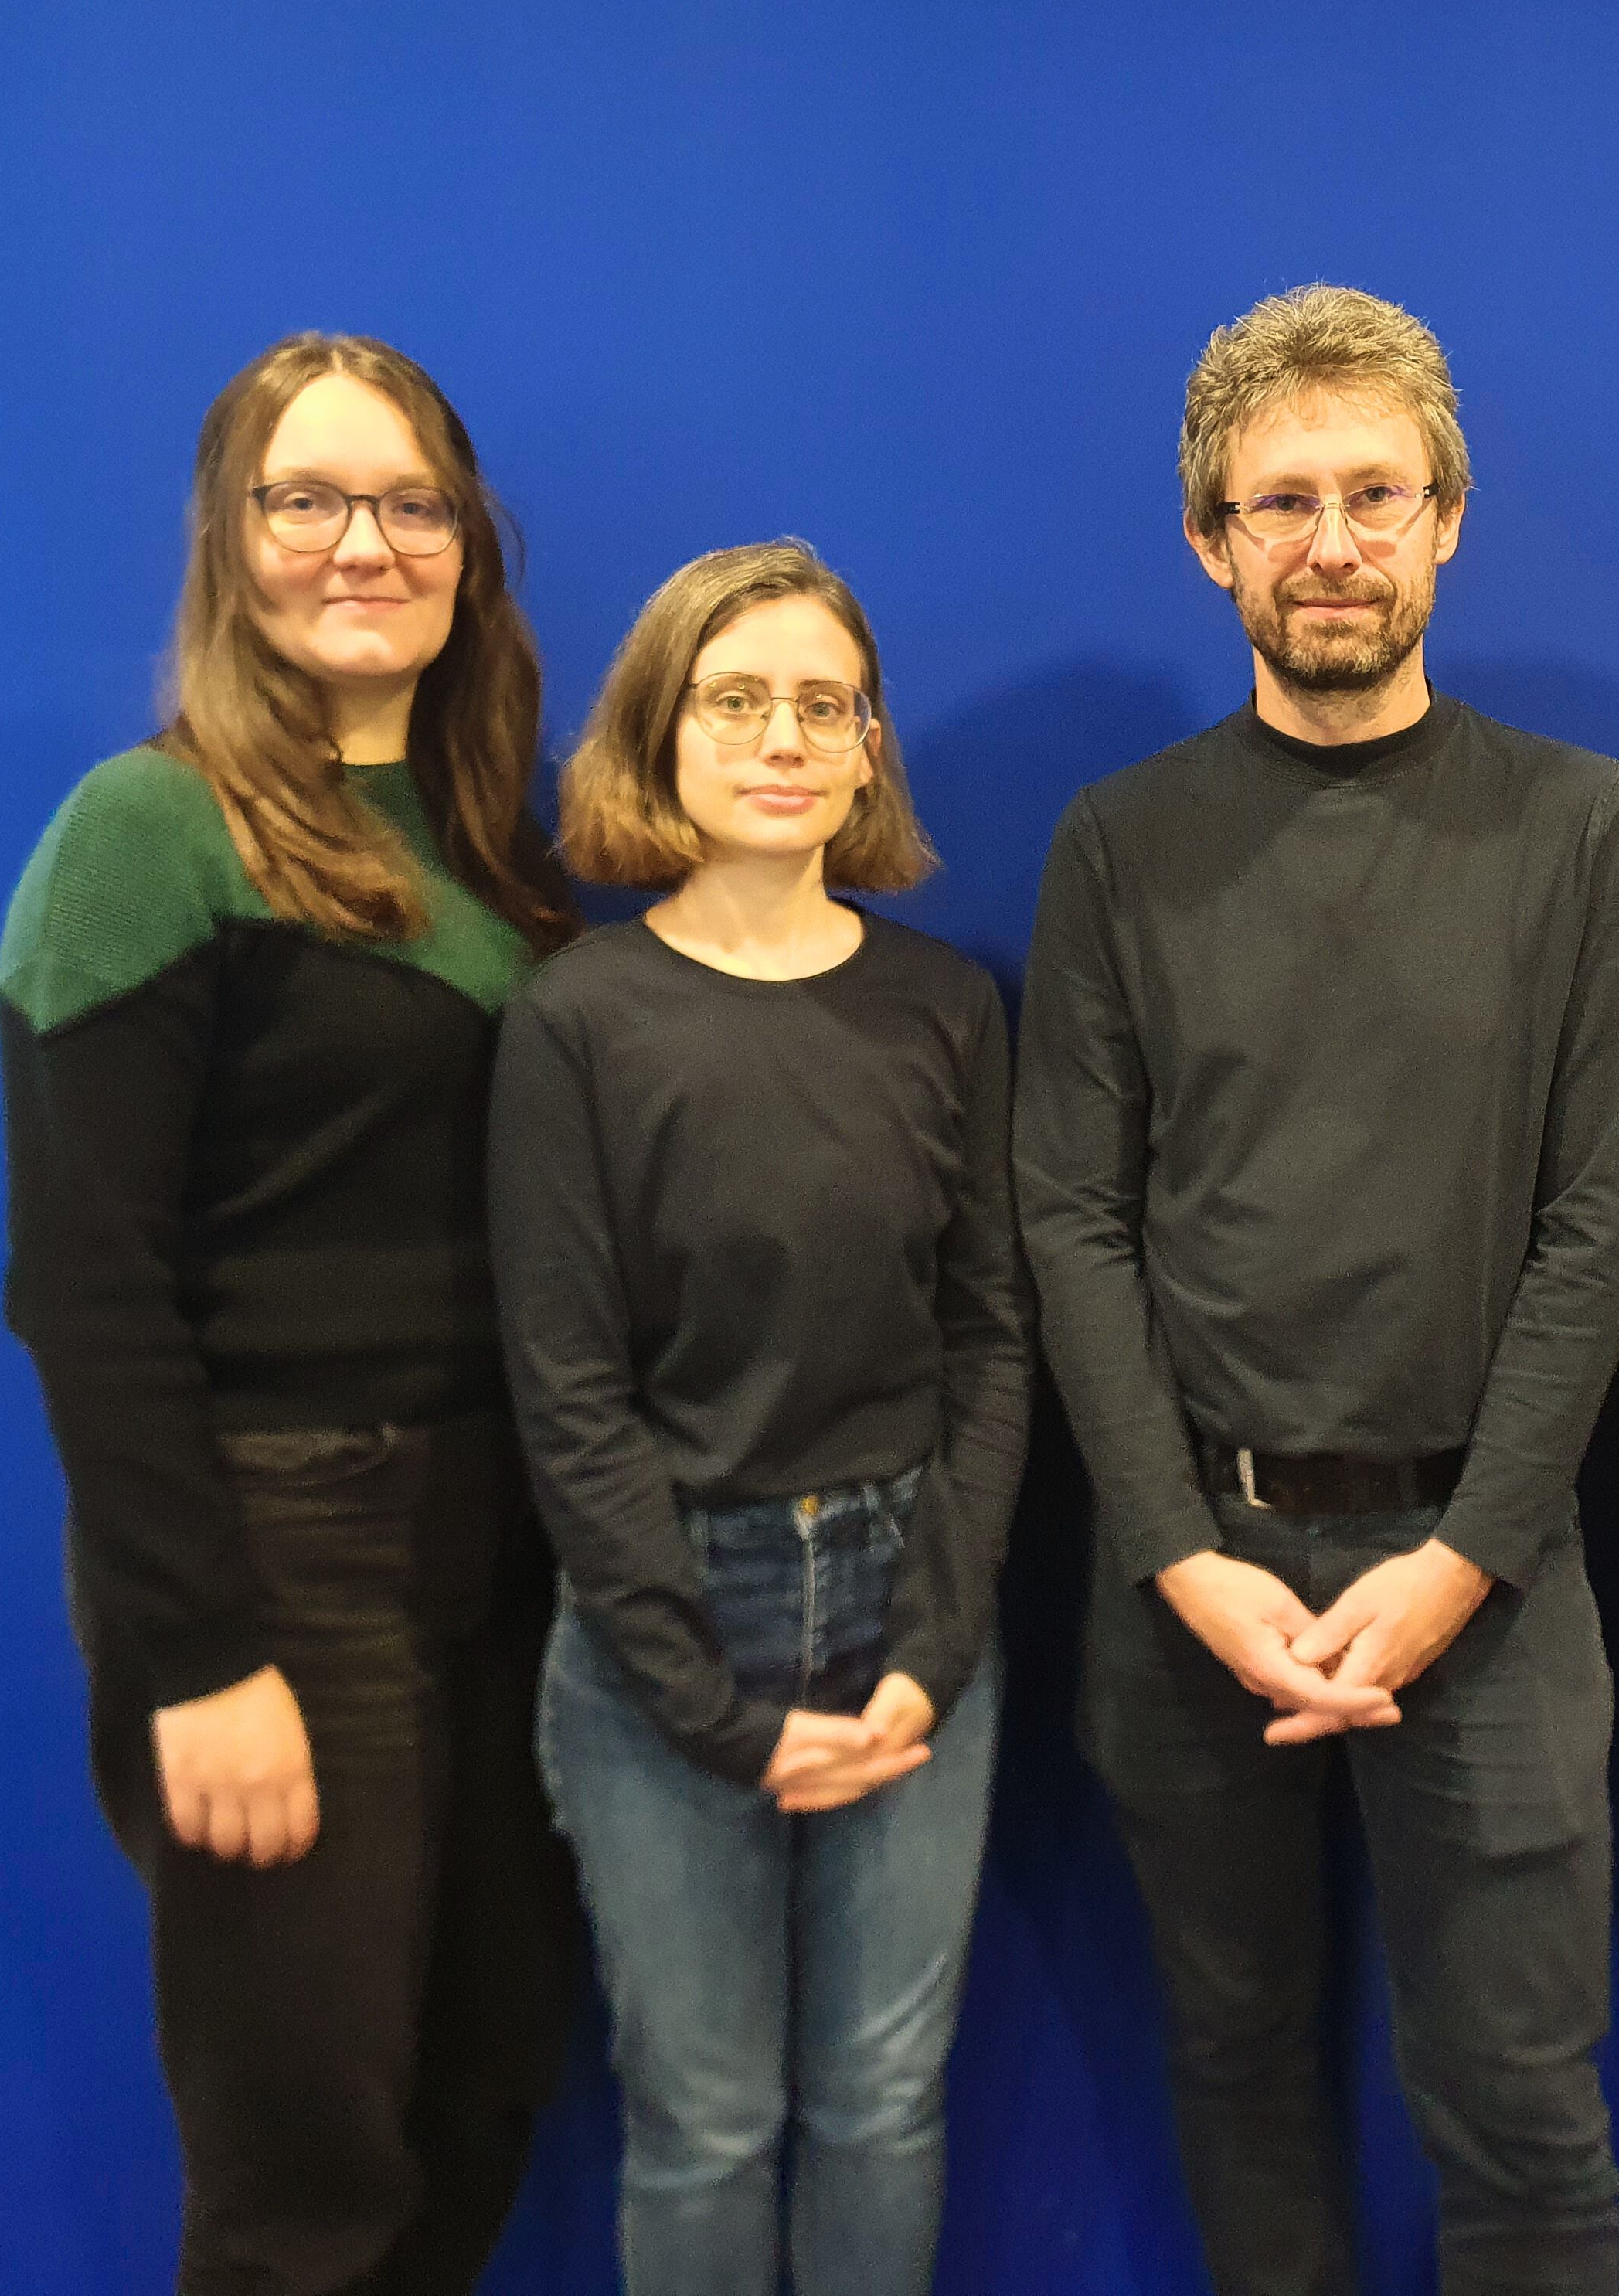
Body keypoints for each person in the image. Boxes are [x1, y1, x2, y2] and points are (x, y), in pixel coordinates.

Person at [1017, 284, 1619, 2296]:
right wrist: (1178, 1553)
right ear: (1210, 542)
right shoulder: (1121, 844)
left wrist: (1464, 1559)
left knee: (1526, 2116)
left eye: (1375, 495)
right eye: (1280, 503)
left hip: (1489, 1569)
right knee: (1237, 2075)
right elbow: (1071, 1219)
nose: (1331, 544)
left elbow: (1597, 1220)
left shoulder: (1574, 823)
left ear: (1448, 518)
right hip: (1193, 1578)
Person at [0, 333, 582, 2294]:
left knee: (484, 2090)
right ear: (228, 538)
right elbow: (83, 1289)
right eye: (308, 497)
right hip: (281, 1560)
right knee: (307, 2182)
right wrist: (202, 1655)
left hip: (503, 1560)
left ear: (469, 548)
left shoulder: (489, 847)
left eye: (413, 503)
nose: (365, 543)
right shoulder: (145, 836)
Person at [489, 540, 1028, 2296]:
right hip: (664, 1615)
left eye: (823, 704)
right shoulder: (577, 1021)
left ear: (870, 747)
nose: (783, 739)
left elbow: (990, 1342)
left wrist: (931, 1652)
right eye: (735, 701)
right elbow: (567, 1387)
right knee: (707, 2118)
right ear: (661, 733)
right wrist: (708, 1709)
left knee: (881, 2102)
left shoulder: (945, 1008)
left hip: (908, 1605)